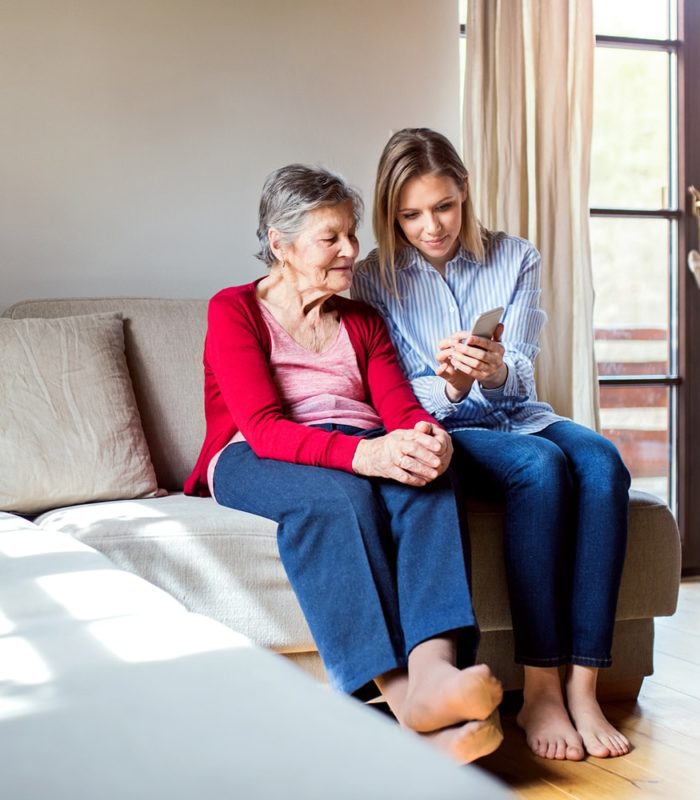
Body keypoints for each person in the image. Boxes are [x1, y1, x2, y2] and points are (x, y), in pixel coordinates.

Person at [184, 164, 504, 764]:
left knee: (429, 479)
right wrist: (367, 454)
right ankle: (406, 699)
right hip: (252, 455)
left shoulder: (361, 319)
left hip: (354, 444)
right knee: (337, 498)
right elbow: (263, 428)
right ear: (281, 246)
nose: (351, 251)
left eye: (351, 234)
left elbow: (401, 409)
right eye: (331, 238)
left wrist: (426, 440)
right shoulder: (233, 310)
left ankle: (435, 670)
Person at [352, 128, 632, 761]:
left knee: (600, 461)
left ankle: (584, 687)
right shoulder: (373, 280)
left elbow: (524, 373)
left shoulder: (516, 257)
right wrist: (451, 388)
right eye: (411, 214)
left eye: (443, 206)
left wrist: (496, 370)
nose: (432, 227)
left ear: (466, 193)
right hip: (447, 429)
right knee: (540, 466)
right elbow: (388, 394)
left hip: (517, 412)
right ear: (391, 214)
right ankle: (539, 689)